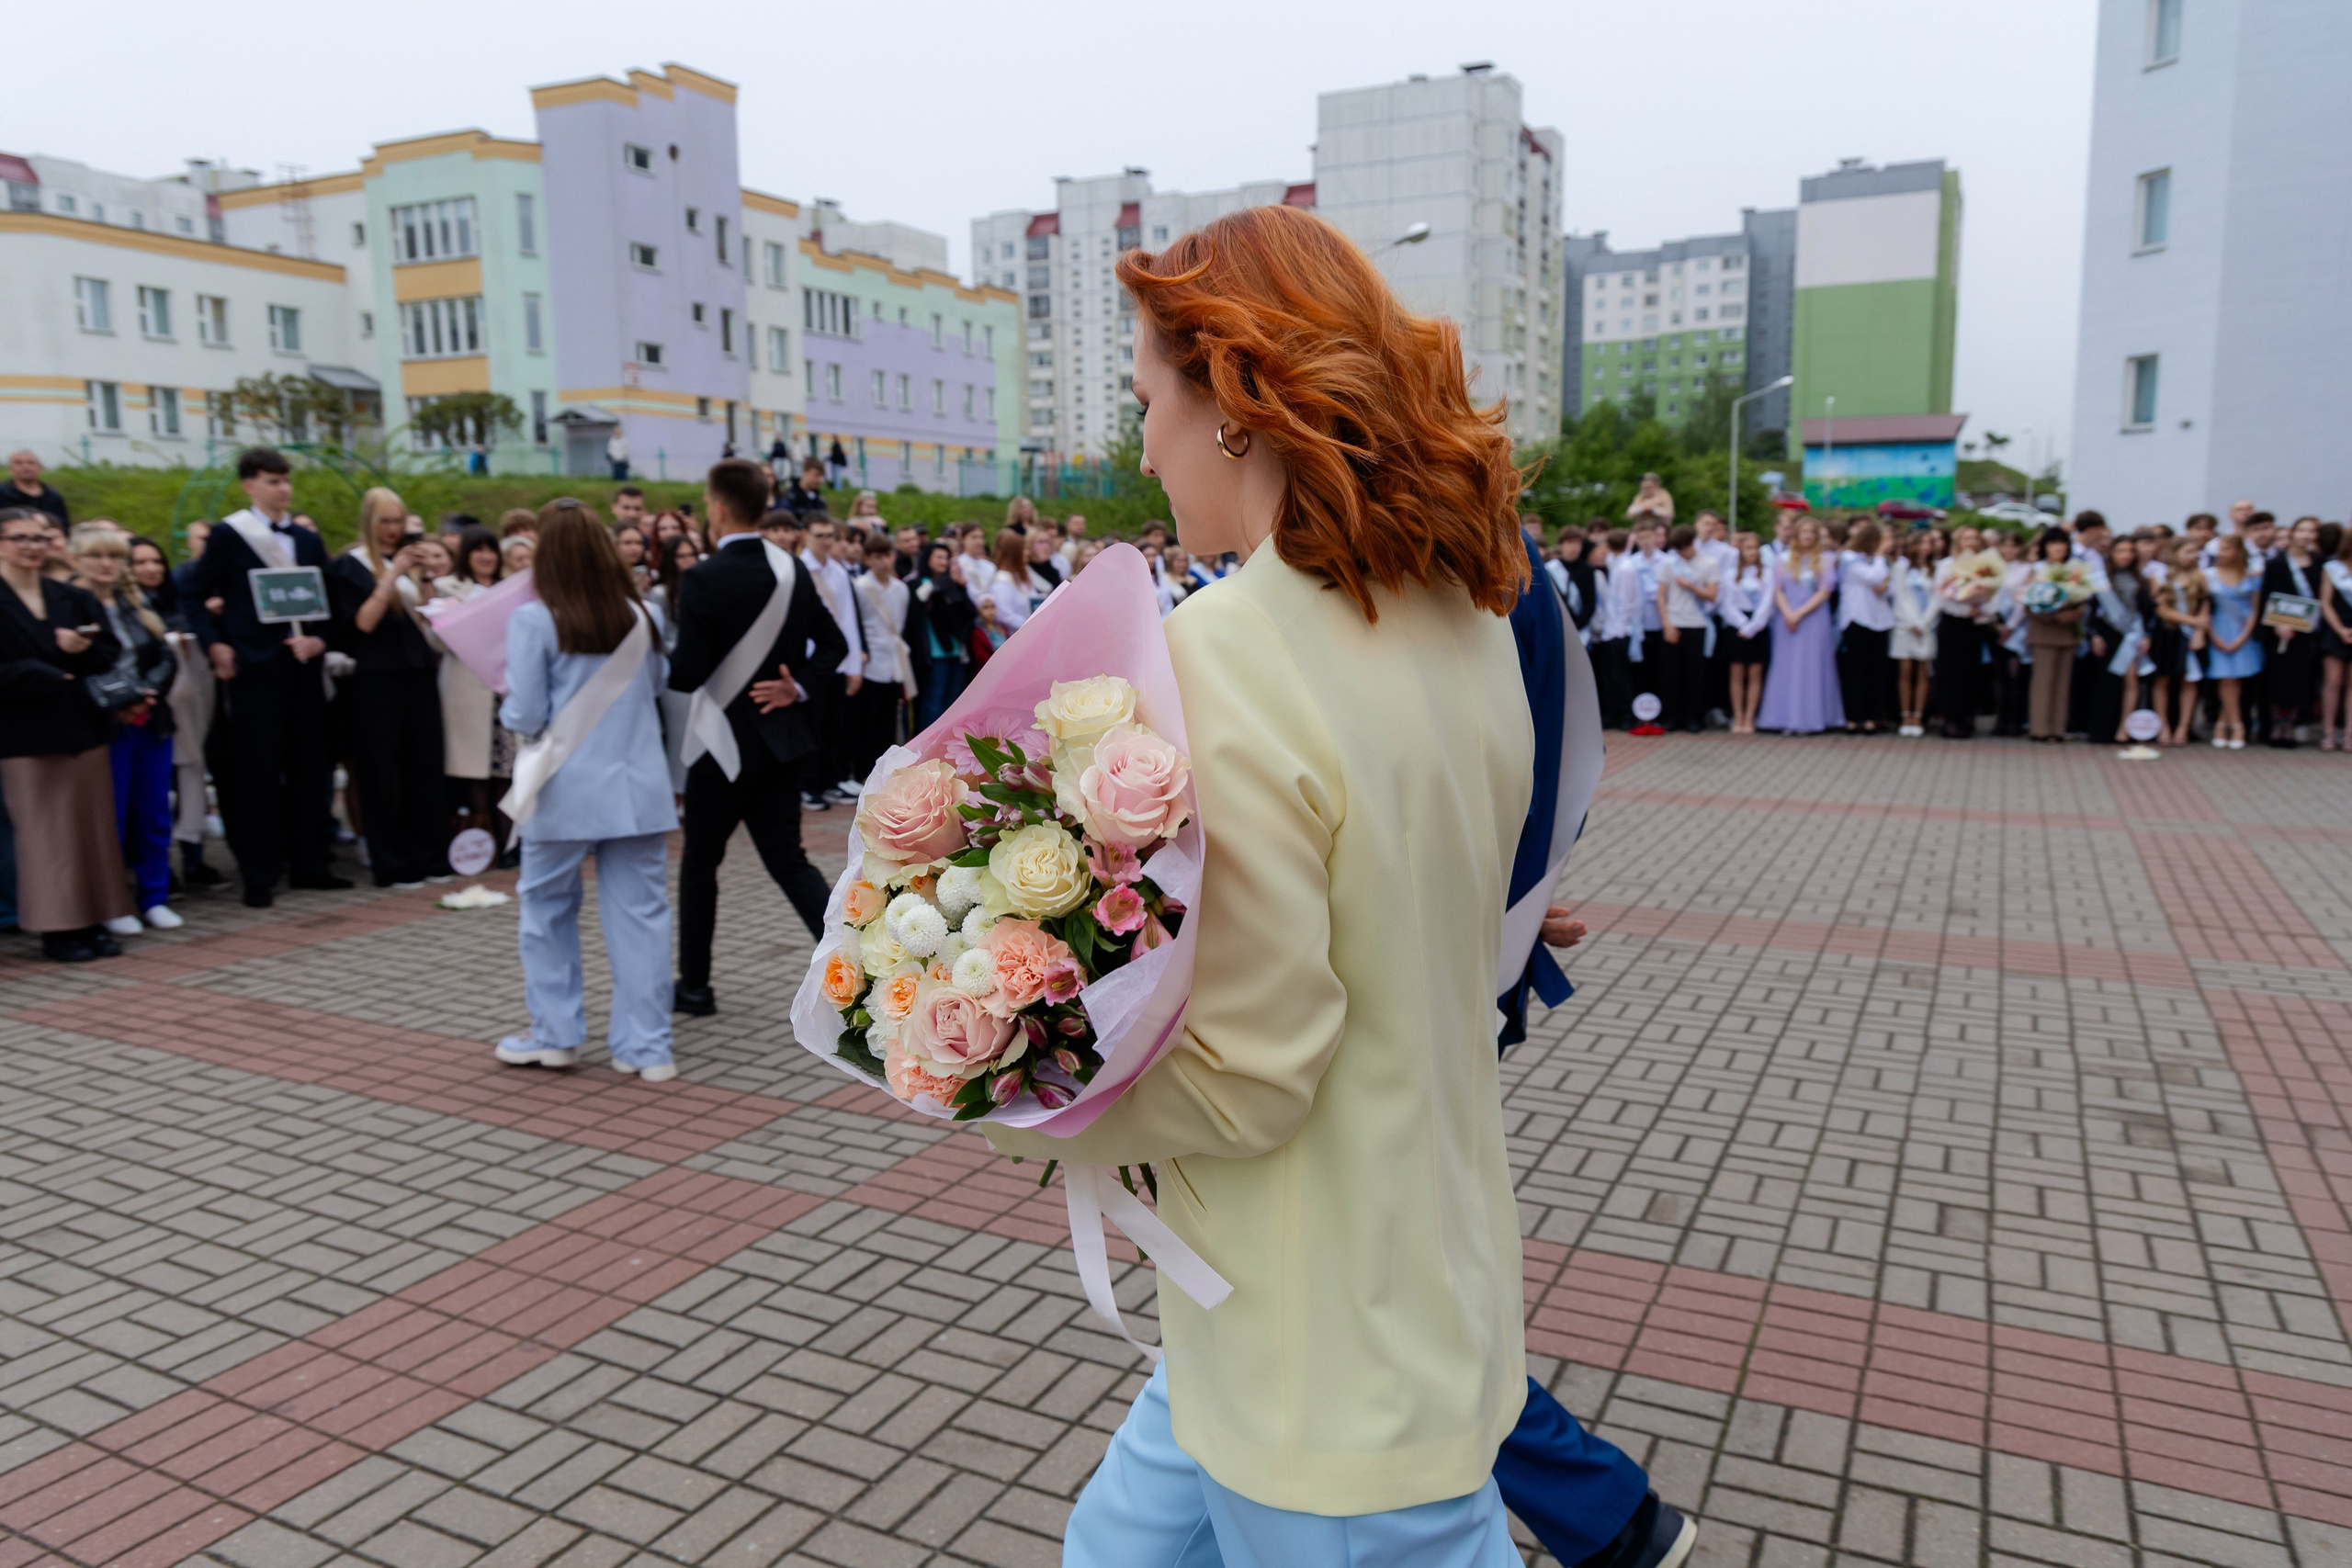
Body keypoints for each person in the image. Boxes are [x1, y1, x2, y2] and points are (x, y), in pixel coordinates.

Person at [986, 203, 1546, 1568]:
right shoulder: (1468, 622)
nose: (1140, 443)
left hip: (1324, 1361)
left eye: (1146, 400)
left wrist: (1010, 1071)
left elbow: (1251, 1073)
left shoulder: (1227, 651)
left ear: (1230, 406)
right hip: (1370, 1282)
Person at [495, 502, 678, 1080]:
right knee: (642, 916)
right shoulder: (640, 613)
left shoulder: (534, 620)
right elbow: (656, 690)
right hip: (638, 788)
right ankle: (647, 1048)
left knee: (547, 910)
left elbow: (525, 715)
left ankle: (555, 1035)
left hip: (562, 790)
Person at [666, 459, 846, 1016]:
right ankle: (857, 971)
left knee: (700, 863)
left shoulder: (700, 578)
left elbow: (687, 675)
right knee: (790, 862)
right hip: (780, 741)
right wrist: (799, 688)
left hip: (719, 747)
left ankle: (695, 987)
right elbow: (835, 648)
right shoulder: (790, 570)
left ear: (717, 508)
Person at [187, 448, 346, 908]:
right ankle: (259, 874)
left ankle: (310, 866)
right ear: (249, 485)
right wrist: (214, 644)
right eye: (272, 481)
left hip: (302, 668)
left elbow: (329, 605)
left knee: (310, 768)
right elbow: (194, 594)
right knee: (257, 772)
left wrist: (318, 640)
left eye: (286, 480)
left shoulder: (307, 540)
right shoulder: (230, 535)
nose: (283, 489)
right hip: (255, 668)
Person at [0, 507, 132, 962]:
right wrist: (40, 671)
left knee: (91, 830)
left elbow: (109, 653)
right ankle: (58, 929)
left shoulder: (68, 596)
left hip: (82, 728)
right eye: (20, 538)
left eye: (39, 538)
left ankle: (95, 919)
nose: (32, 547)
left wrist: (83, 649)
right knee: (44, 836)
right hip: (24, 735)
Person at [331, 489, 448, 887]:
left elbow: (431, 622)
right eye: (385, 521)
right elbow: (363, 623)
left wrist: (427, 580)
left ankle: (429, 854)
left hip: (418, 672)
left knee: (427, 766)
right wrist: (393, 574)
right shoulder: (352, 566)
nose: (393, 530)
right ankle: (391, 862)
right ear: (369, 523)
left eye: (399, 521)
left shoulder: (410, 568)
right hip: (375, 677)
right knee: (380, 771)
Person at [70, 525, 182, 931]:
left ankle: (154, 896)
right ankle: (112, 902)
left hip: (149, 720)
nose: (106, 565)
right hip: (103, 724)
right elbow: (77, 666)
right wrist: (118, 700)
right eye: (96, 556)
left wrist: (147, 691)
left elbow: (164, 657)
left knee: (153, 811)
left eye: (115, 557)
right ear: (75, 560)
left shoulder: (135, 604)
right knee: (109, 817)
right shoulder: (67, 605)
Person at [431, 525, 517, 862]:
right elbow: (438, 641)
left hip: (506, 690)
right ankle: (487, 846)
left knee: (507, 771)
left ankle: (511, 843)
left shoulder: (510, 589)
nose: (486, 556)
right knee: (475, 774)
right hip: (468, 691)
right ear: (465, 555)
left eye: (491, 549)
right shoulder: (446, 587)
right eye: (477, 550)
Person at [795, 516, 867, 806]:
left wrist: (853, 666)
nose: (825, 541)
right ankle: (807, 783)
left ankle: (830, 779)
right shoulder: (799, 569)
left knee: (833, 723)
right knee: (810, 724)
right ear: (805, 535)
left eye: (830, 536)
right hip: (808, 659)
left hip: (836, 659)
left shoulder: (837, 572)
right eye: (819, 535)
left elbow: (848, 620)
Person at [1756, 516, 1842, 734]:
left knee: (1812, 667)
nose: (1808, 537)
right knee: (1786, 666)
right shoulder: (1782, 559)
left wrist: (1800, 613)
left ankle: (1811, 718)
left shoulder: (1825, 560)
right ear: (1796, 535)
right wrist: (1788, 613)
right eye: (1804, 532)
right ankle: (1781, 717)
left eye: (1811, 533)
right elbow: (1777, 590)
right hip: (1786, 620)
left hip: (1813, 619)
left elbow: (1825, 591)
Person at [849, 531, 911, 780]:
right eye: (877, 556)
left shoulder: (901, 589)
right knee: (867, 719)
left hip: (894, 660)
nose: (883, 561)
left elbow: (900, 624)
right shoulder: (860, 588)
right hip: (870, 660)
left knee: (888, 718)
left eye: (886, 555)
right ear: (867, 559)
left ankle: (885, 769)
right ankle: (864, 769)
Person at [646, 531, 704, 796]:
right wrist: (689, 652)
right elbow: (663, 637)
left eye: (691, 555)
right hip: (676, 672)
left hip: (704, 672)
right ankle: (678, 793)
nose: (687, 561)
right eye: (680, 556)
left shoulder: (706, 586)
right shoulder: (659, 593)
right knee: (678, 738)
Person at [2260, 517, 2324, 747]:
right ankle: (2276, 725)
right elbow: (2267, 596)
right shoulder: (2276, 563)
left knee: (2300, 679)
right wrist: (2276, 625)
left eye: (2312, 531)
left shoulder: (2320, 563)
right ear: (2293, 532)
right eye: (2302, 530)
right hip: (2279, 631)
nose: (2306, 535)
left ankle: (2293, 725)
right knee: (2277, 679)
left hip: (2306, 632)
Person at [2024, 528, 2086, 743]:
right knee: (2044, 682)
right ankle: (2040, 728)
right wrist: (2053, 616)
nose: (2059, 548)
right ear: (2045, 547)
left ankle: (2058, 729)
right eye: (2054, 544)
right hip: (2044, 631)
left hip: (2068, 631)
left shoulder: (2073, 571)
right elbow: (2029, 603)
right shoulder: (2037, 570)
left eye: (2063, 543)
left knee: (2063, 683)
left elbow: (2083, 595)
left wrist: (2077, 611)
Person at [1654, 524, 1718, 732]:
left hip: (1697, 623)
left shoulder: (1709, 563)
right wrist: (1666, 624)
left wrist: (1690, 586)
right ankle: (1672, 716)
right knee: (1671, 674)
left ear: (1692, 543)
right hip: (1674, 622)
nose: (1680, 553)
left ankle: (1693, 718)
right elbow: (1661, 596)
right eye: (1677, 549)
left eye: (1684, 548)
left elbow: (1712, 595)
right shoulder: (1669, 563)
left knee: (1695, 674)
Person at [903, 538, 974, 729]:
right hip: (935, 653)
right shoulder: (919, 583)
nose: (943, 561)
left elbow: (969, 612)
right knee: (934, 702)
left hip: (956, 649)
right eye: (939, 557)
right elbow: (917, 607)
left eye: (946, 557)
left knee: (952, 702)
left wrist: (962, 587)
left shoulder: (953, 583)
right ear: (927, 559)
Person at [1929, 528, 1993, 739]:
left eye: (1975, 538)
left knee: (1970, 672)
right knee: (1950, 672)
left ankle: (1967, 716)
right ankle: (1950, 718)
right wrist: (1965, 608)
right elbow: (1942, 596)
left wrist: (1981, 609)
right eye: (1967, 538)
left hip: (1973, 625)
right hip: (1953, 622)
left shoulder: (1984, 566)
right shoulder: (1948, 565)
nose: (1971, 542)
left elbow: (1991, 592)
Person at [2204, 535, 2263, 749]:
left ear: (2238, 551)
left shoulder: (2253, 575)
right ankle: (2238, 726)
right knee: (2226, 679)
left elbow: (2256, 609)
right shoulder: (2208, 575)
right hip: (2219, 629)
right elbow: (2205, 609)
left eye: (2226, 548)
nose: (2221, 553)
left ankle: (2222, 724)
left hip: (2243, 630)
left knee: (2235, 680)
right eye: (2220, 549)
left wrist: (2244, 636)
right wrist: (2213, 635)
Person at [1836, 521, 1894, 734]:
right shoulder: (1849, 558)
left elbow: (1888, 588)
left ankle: (1873, 716)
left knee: (1877, 671)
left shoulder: (1879, 561)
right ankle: (1853, 716)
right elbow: (1875, 578)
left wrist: (1882, 579)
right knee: (1856, 671)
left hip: (1880, 620)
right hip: (1858, 619)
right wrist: (1880, 557)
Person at [2152, 540, 2210, 746]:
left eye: (2196, 552)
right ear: (2175, 553)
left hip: (2192, 635)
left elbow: (2205, 605)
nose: (2193, 555)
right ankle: (2163, 726)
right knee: (2163, 679)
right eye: (2188, 551)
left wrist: (2199, 632)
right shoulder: (2160, 576)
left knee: (2190, 680)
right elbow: (2162, 609)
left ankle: (2183, 727)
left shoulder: (2201, 577)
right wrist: (2193, 621)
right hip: (2169, 633)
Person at [1889, 531, 1939, 737]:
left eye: (1928, 542)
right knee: (1905, 672)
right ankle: (1905, 714)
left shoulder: (1936, 569)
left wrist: (1925, 622)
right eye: (1921, 542)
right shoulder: (1901, 567)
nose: (1925, 547)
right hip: (1905, 625)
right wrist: (1912, 622)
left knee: (1923, 672)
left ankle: (1918, 715)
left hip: (1927, 626)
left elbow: (1937, 598)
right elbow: (1900, 596)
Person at [6, 451, 70, 528]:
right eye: (18, 463)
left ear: (40, 468)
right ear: (10, 468)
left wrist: (48, 519)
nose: (25, 467)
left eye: (31, 463)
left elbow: (64, 524)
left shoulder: (52, 496)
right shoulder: (2, 494)